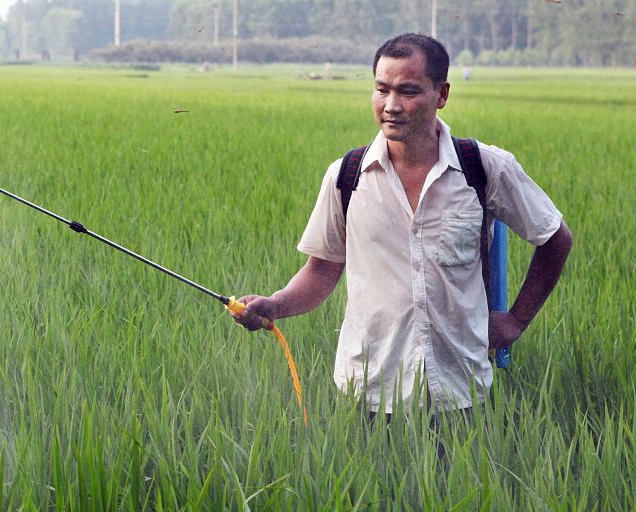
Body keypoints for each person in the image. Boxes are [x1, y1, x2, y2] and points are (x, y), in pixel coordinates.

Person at [234, 33, 571, 418]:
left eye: (408, 91)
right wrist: (275, 305)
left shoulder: (484, 168)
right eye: (382, 89)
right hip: (366, 392)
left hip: (460, 391)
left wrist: (516, 320)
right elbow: (322, 270)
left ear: (441, 94)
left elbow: (555, 238)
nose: (391, 105)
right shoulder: (348, 175)